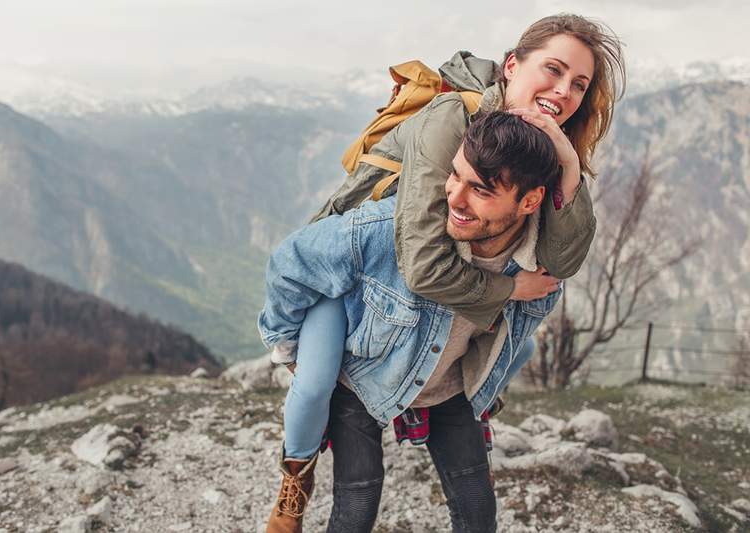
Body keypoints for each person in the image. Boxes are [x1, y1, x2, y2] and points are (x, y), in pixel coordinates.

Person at [260, 13, 625, 533]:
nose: (564, 92)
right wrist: (510, 289)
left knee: (510, 354)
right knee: (316, 383)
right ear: (513, 65)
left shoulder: (541, 148)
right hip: (355, 275)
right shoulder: (452, 119)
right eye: (554, 70)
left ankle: (438, 407)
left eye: (579, 85)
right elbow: (425, 266)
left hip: (425, 309)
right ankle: (294, 484)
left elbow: (561, 263)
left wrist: (568, 163)